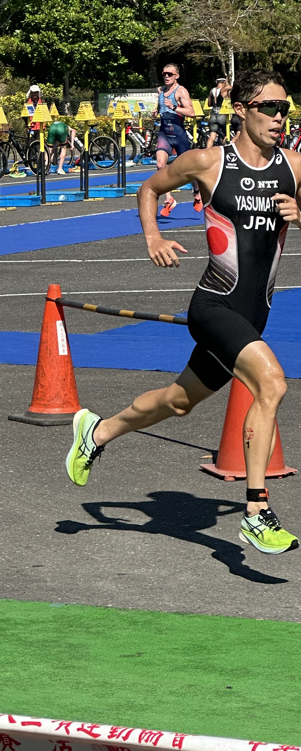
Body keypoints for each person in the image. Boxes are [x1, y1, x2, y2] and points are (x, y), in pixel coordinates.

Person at [65, 68, 300, 556]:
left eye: (286, 109)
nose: (281, 118)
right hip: (214, 304)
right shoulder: (207, 162)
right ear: (241, 109)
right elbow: (149, 189)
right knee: (272, 382)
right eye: (271, 108)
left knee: (178, 402)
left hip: (255, 313)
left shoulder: (295, 166)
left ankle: (96, 431)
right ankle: (257, 510)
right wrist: (152, 236)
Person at [153, 64, 203, 215]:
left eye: (169, 74)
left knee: (187, 168)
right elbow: (161, 106)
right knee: (160, 164)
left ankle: (197, 192)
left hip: (178, 133)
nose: (166, 77)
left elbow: (192, 112)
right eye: (164, 74)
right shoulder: (161, 91)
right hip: (164, 133)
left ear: (177, 76)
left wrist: (174, 107)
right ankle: (169, 199)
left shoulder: (181, 91)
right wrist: (156, 111)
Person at [205, 77, 230, 148]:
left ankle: (208, 150)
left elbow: (209, 104)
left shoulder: (212, 90)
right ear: (224, 83)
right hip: (221, 114)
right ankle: (224, 148)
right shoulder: (224, 89)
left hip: (213, 114)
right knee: (227, 134)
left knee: (212, 136)